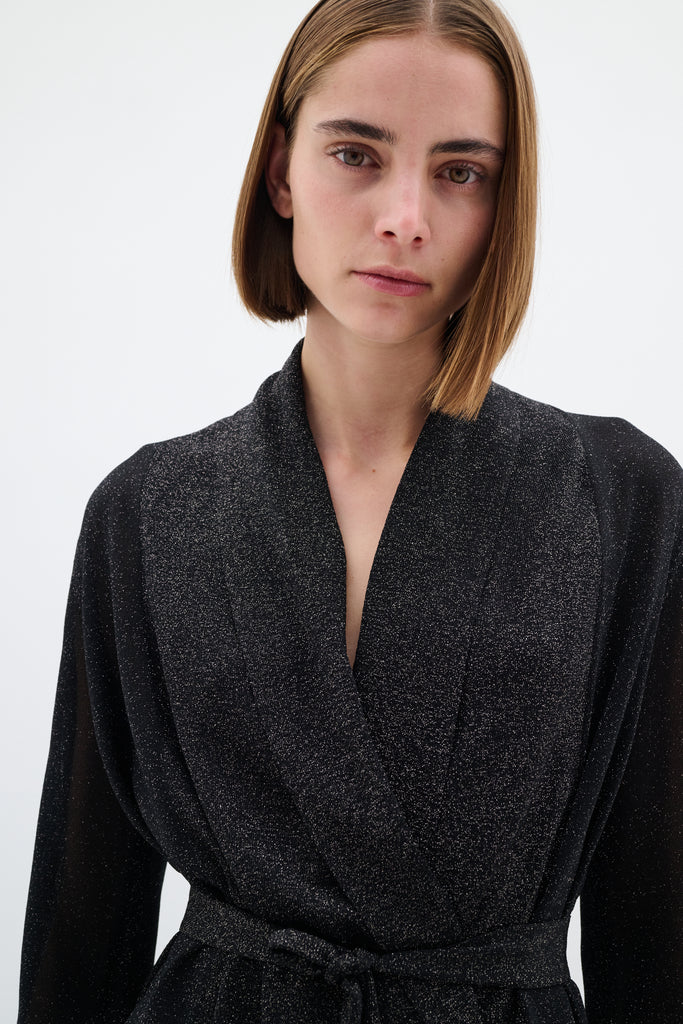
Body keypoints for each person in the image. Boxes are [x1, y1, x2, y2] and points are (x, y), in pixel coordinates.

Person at [17, 0, 682, 1022]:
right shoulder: (145, 513)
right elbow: (80, 929)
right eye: (356, 154)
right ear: (280, 171)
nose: (404, 217)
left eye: (460, 171)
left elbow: (657, 923)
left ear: (504, 203)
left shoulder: (621, 499)